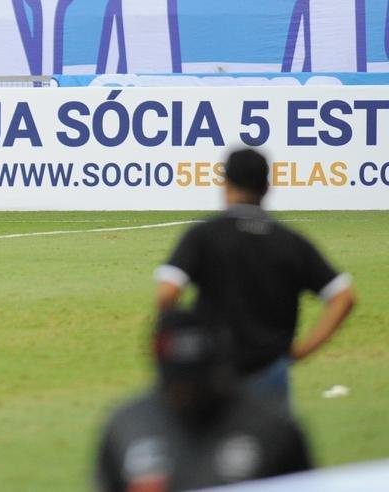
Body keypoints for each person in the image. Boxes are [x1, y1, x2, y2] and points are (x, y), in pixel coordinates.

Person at [155, 147, 355, 407]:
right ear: (268, 187)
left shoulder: (204, 235)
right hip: (270, 369)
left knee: (211, 442)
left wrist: (181, 343)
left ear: (225, 184)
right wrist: (302, 350)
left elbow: (167, 294)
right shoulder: (289, 241)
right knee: (272, 443)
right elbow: (344, 297)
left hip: (215, 367)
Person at [95, 309, 313, 491]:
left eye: (200, 383)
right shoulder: (127, 425)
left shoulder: (271, 428)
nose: (189, 395)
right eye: (179, 385)